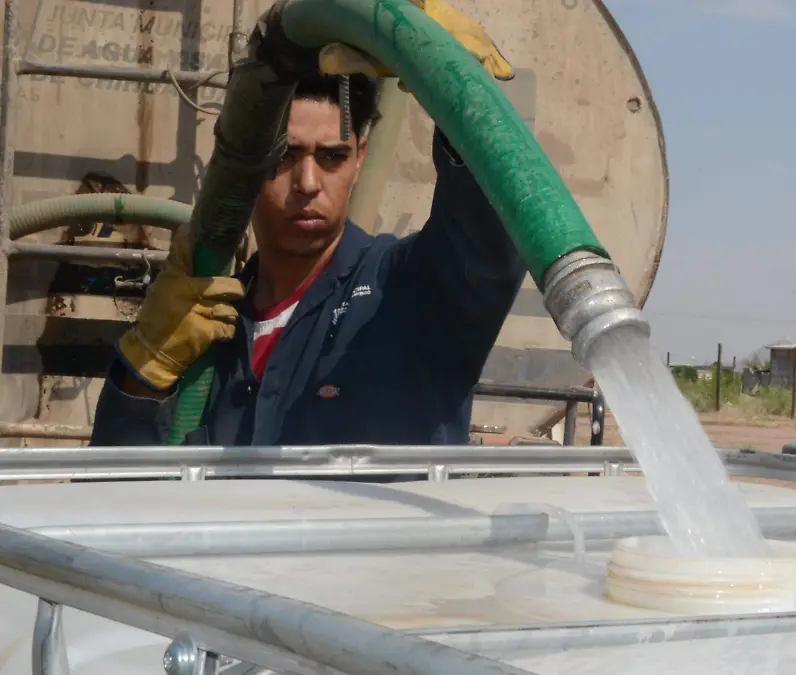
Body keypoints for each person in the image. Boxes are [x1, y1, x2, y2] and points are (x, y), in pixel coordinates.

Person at [89, 4, 525, 448]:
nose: (308, 183)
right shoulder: (202, 329)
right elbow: (119, 500)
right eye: (285, 157)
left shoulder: (409, 293)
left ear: (360, 156)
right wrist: (143, 373)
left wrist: (465, 106)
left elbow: (487, 242)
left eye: (332, 156)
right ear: (248, 162)